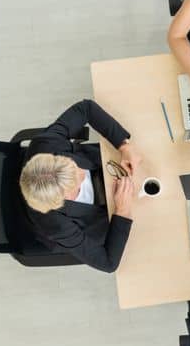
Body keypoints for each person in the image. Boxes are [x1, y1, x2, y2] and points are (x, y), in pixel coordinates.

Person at [19, 99, 142, 272]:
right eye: (76, 184)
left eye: (72, 165)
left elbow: (86, 108)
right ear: (61, 201)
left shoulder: (45, 144)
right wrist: (122, 211)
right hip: (105, 214)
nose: (82, 173)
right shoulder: (57, 225)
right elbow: (108, 263)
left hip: (110, 165)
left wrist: (123, 145)